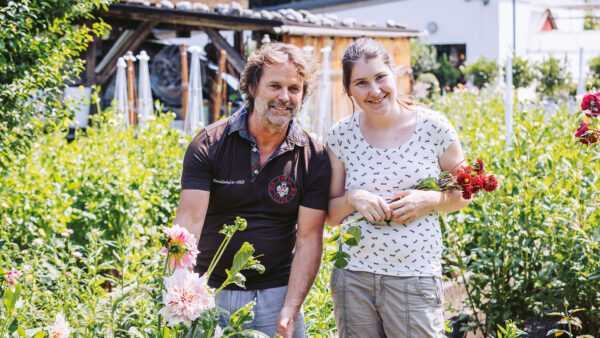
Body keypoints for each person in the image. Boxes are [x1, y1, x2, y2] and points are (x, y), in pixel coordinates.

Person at [175, 42, 331, 338]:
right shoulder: (210, 144)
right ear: (252, 87)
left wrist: (291, 308)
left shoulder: (313, 156)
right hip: (209, 289)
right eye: (275, 86)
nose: (284, 97)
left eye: (294, 89)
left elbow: (309, 238)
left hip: (276, 294)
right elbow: (188, 225)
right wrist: (181, 292)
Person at [325, 38, 470, 337]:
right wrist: (353, 198)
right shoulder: (341, 136)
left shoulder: (434, 128)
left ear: (394, 73)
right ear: (348, 89)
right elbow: (330, 213)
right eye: (361, 83)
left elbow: (465, 193)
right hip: (353, 278)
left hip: (413, 277)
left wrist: (429, 199)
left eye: (380, 77)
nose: (374, 91)